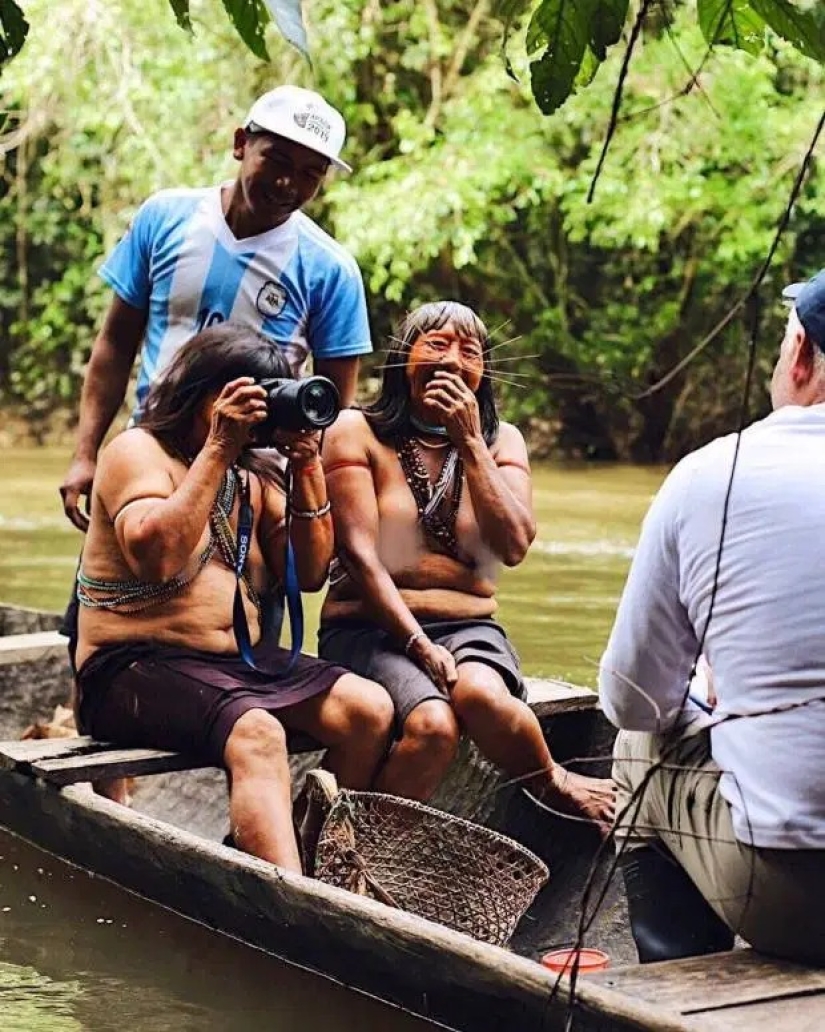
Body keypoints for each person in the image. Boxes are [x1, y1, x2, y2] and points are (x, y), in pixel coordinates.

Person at [74, 323, 394, 873]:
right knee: (258, 732)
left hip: (229, 665)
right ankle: (287, 898)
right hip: (128, 668)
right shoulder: (137, 451)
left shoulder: (254, 473)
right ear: (202, 394)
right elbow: (157, 557)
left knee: (369, 710)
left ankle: (297, 862)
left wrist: (307, 466)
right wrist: (220, 447)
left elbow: (310, 573)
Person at [599, 269, 825, 966]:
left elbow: (632, 700)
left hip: (796, 903)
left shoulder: (709, 475)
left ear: (799, 356)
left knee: (638, 747)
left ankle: (680, 980)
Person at [318, 300, 615, 828]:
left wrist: (471, 442)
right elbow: (360, 558)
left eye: (469, 352)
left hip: (469, 627)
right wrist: (418, 644)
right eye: (436, 346)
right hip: (369, 628)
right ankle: (354, 852)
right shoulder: (354, 430)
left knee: (481, 695)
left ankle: (552, 779)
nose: (452, 362)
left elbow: (515, 546)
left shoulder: (502, 441)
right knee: (434, 725)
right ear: (402, 360)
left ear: (484, 374)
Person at [60, 84, 372, 532]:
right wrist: (85, 454)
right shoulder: (164, 218)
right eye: (277, 161)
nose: (288, 184)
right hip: (148, 457)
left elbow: (334, 408)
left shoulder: (330, 270)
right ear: (241, 143)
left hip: (255, 483)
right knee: (115, 574)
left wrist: (314, 507)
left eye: (310, 174)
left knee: (230, 582)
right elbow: (115, 345)